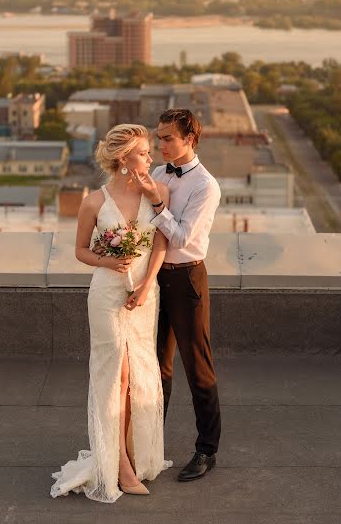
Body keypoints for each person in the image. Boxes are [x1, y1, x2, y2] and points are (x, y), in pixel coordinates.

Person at [50, 124, 172, 503]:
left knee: (138, 375)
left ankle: (137, 454)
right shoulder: (92, 201)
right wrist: (108, 259)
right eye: (143, 153)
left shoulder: (158, 192)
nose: (151, 158)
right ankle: (117, 464)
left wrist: (147, 285)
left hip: (144, 297)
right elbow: (80, 251)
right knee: (113, 378)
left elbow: (162, 245)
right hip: (106, 295)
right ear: (123, 159)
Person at [126, 108, 222, 482]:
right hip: (155, 277)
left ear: (190, 139)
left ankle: (206, 450)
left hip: (187, 280)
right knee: (156, 367)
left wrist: (155, 201)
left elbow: (181, 237)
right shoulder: (158, 173)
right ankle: (150, 444)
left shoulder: (205, 186)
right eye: (159, 136)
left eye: (168, 138)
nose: (160, 144)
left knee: (197, 367)